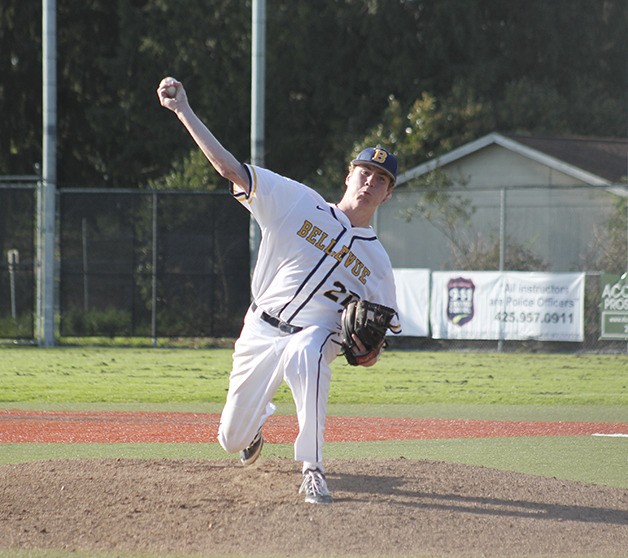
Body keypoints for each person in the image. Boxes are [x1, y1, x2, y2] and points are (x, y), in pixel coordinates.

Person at [157, 77, 401, 504]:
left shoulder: (378, 263)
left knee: (307, 351)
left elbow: (379, 340)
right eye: (365, 171)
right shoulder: (297, 202)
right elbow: (231, 170)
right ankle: (251, 430)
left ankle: (313, 470)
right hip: (260, 330)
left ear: (387, 193)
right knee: (230, 440)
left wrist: (368, 353)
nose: (369, 181)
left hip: (315, 336)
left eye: (380, 179)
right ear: (349, 175)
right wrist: (184, 111)